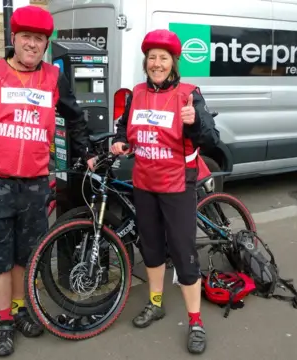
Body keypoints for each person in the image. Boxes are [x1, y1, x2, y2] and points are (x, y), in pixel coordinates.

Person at [0, 5, 95, 358]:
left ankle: (19, 311)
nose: (32, 44)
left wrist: (88, 153)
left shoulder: (53, 78)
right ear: (13, 38)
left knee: (25, 254)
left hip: (34, 184)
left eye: (40, 39)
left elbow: (75, 119)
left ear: (46, 44)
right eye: (27, 37)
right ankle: (5, 322)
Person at [110, 29, 220, 355]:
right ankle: (155, 303)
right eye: (152, 58)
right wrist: (120, 141)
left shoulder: (188, 94)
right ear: (146, 62)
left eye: (163, 58)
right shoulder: (137, 93)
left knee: (184, 255)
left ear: (174, 62)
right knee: (152, 249)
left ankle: (196, 320)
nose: (156, 63)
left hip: (177, 186)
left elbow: (211, 138)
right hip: (144, 184)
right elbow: (124, 129)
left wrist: (195, 120)